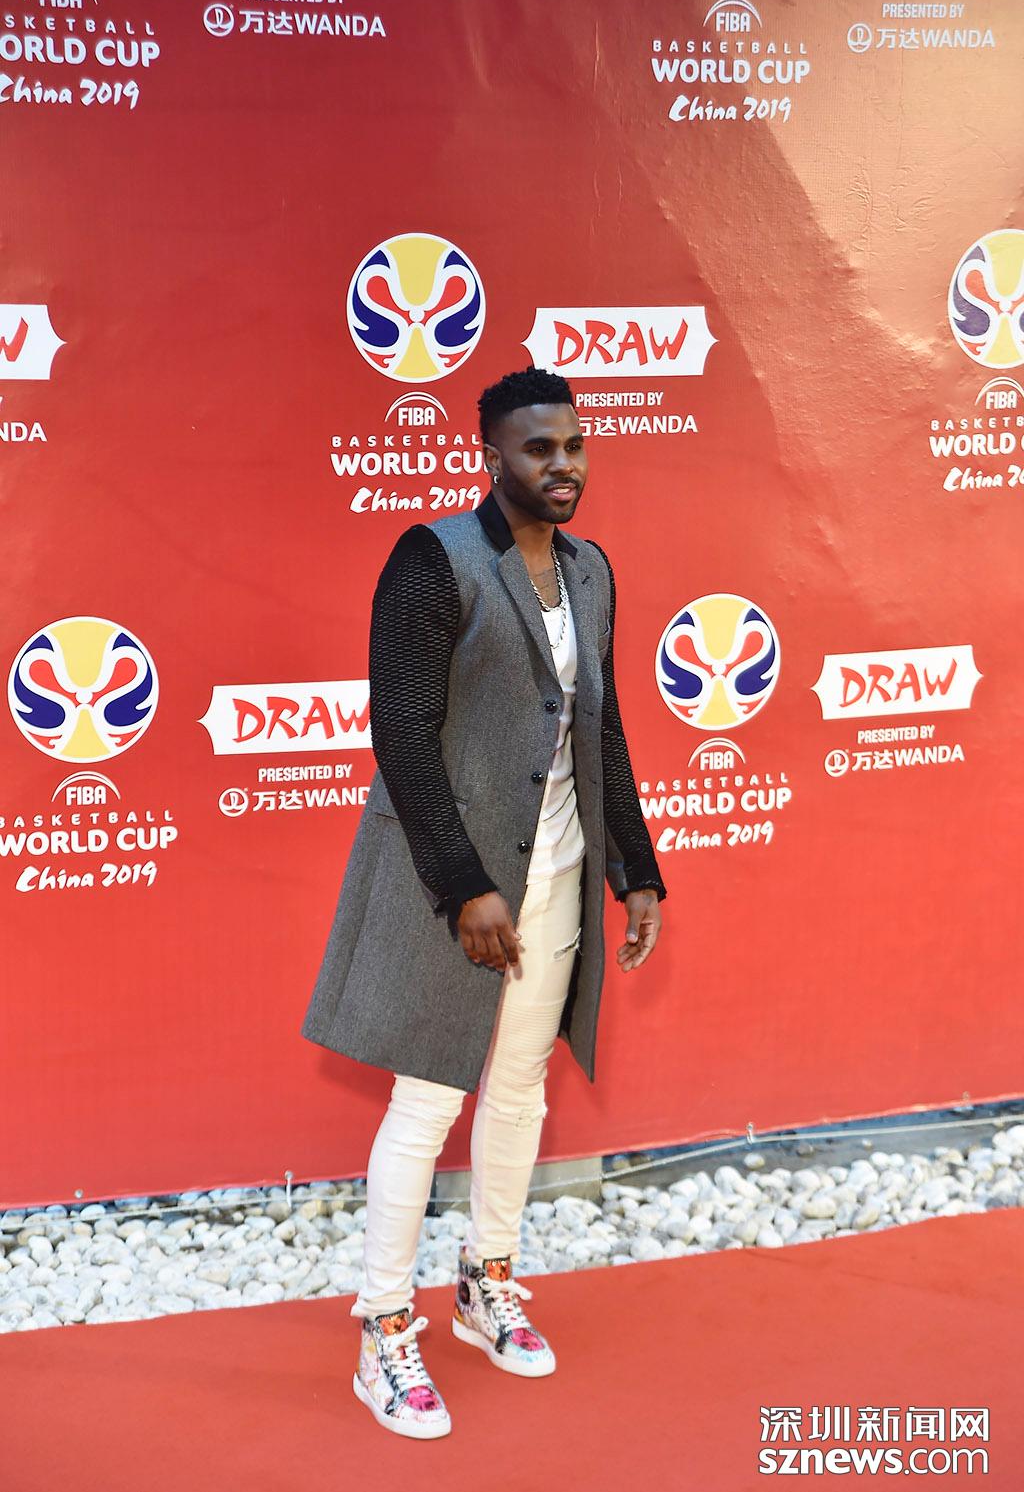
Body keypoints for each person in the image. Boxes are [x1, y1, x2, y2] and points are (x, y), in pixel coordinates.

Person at [301, 364, 667, 1439]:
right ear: (491, 455)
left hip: (558, 871)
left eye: (574, 445)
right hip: (455, 880)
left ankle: (485, 1280)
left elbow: (601, 726)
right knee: (426, 1101)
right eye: (537, 448)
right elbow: (402, 732)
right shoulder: (434, 559)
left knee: (518, 1087)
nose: (562, 466)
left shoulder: (592, 570)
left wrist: (636, 867)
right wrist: (464, 885)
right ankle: (382, 1326)